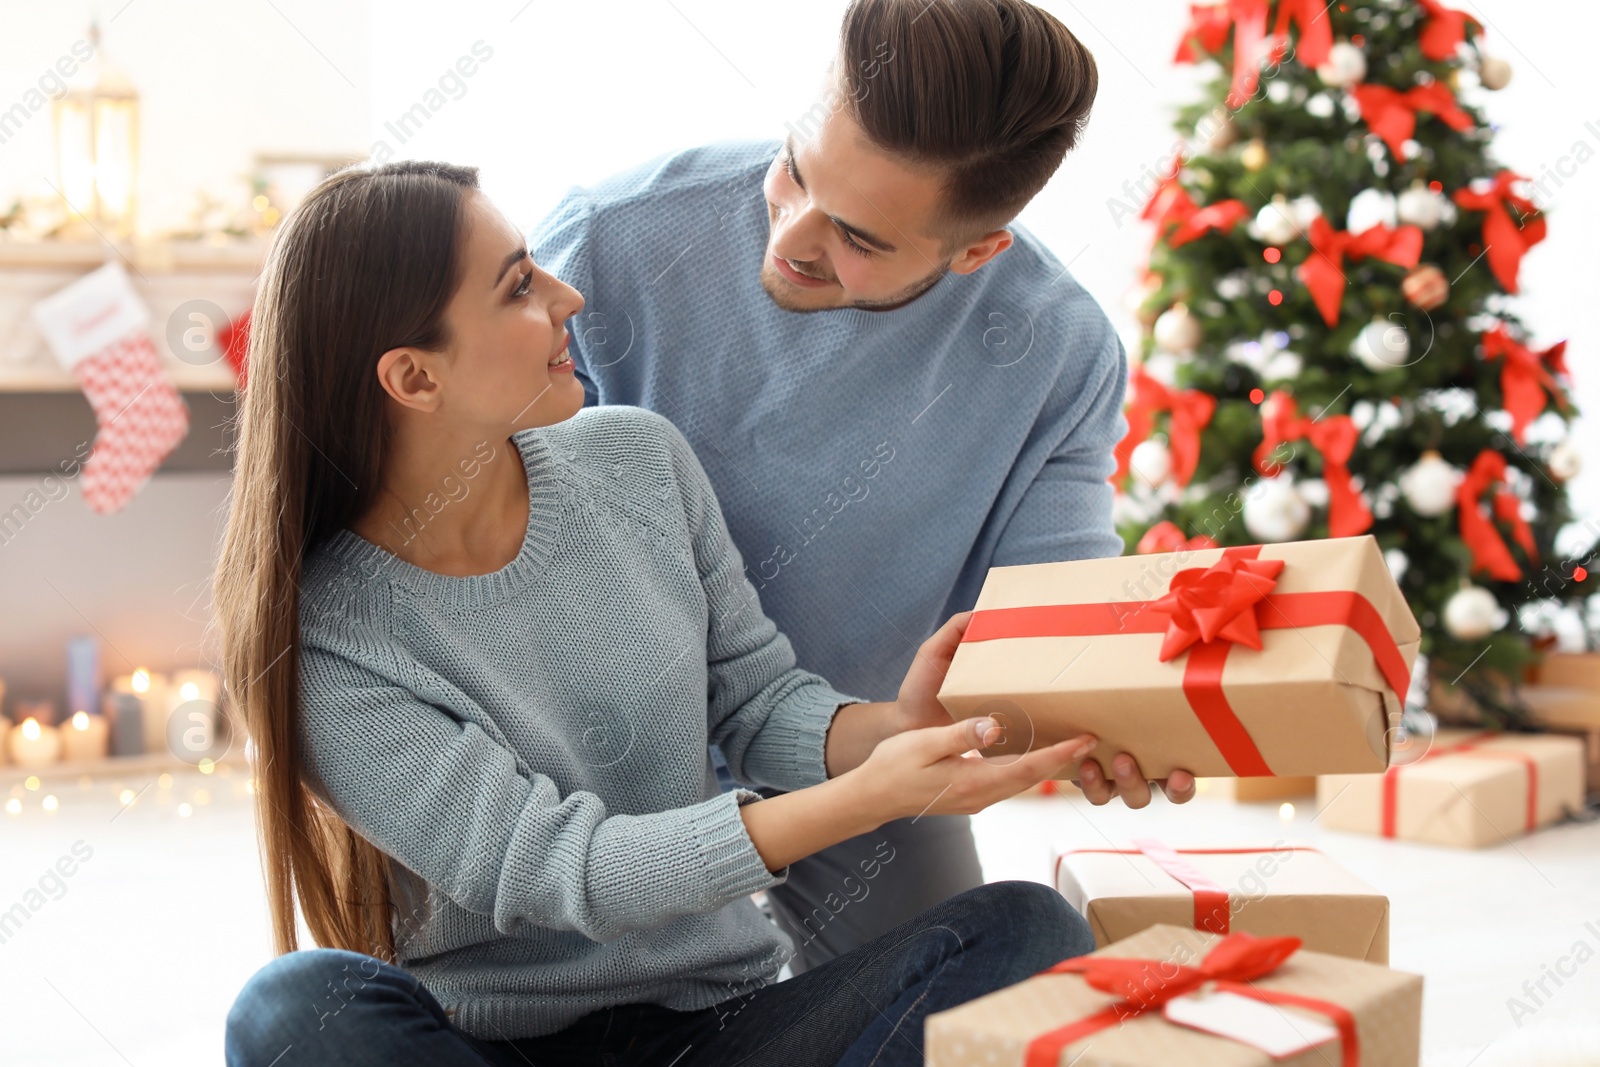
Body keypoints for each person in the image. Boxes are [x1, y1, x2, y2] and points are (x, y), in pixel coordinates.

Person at [215, 159, 1101, 1067]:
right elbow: (572, 870)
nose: (568, 295)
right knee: (292, 1008)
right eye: (520, 286)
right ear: (414, 377)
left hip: (719, 1031)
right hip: (492, 1048)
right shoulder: (329, 640)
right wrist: (861, 799)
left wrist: (893, 730)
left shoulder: (637, 460)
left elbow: (756, 702)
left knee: (1023, 929)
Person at [531, 0, 1197, 973]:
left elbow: (1051, 623)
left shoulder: (1057, 350)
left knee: (971, 985)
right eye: (794, 167)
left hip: (859, 753)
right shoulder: (605, 240)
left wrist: (1108, 719)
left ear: (975, 252)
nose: (793, 237)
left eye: (857, 237)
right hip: (596, 754)